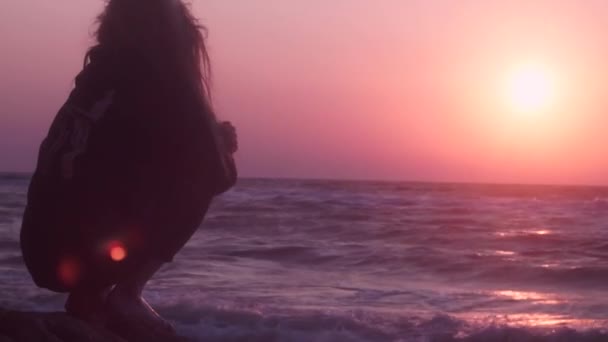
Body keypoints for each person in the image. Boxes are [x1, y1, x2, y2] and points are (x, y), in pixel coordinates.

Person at [19, 0, 237, 336]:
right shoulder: (158, 82)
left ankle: (91, 295)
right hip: (82, 248)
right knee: (207, 169)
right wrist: (217, 141)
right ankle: (128, 292)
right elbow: (214, 169)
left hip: (40, 248)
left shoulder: (95, 80)